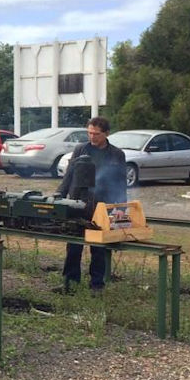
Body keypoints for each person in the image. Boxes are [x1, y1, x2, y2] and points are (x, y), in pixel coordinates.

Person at [54, 116, 127, 292]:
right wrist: (59, 195)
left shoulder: (117, 154)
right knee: (73, 244)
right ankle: (70, 284)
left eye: (96, 134)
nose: (92, 137)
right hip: (77, 202)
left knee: (98, 247)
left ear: (106, 134)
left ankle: (96, 285)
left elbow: (121, 183)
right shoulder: (80, 149)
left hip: (102, 205)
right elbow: (69, 174)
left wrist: (120, 208)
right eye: (89, 133)